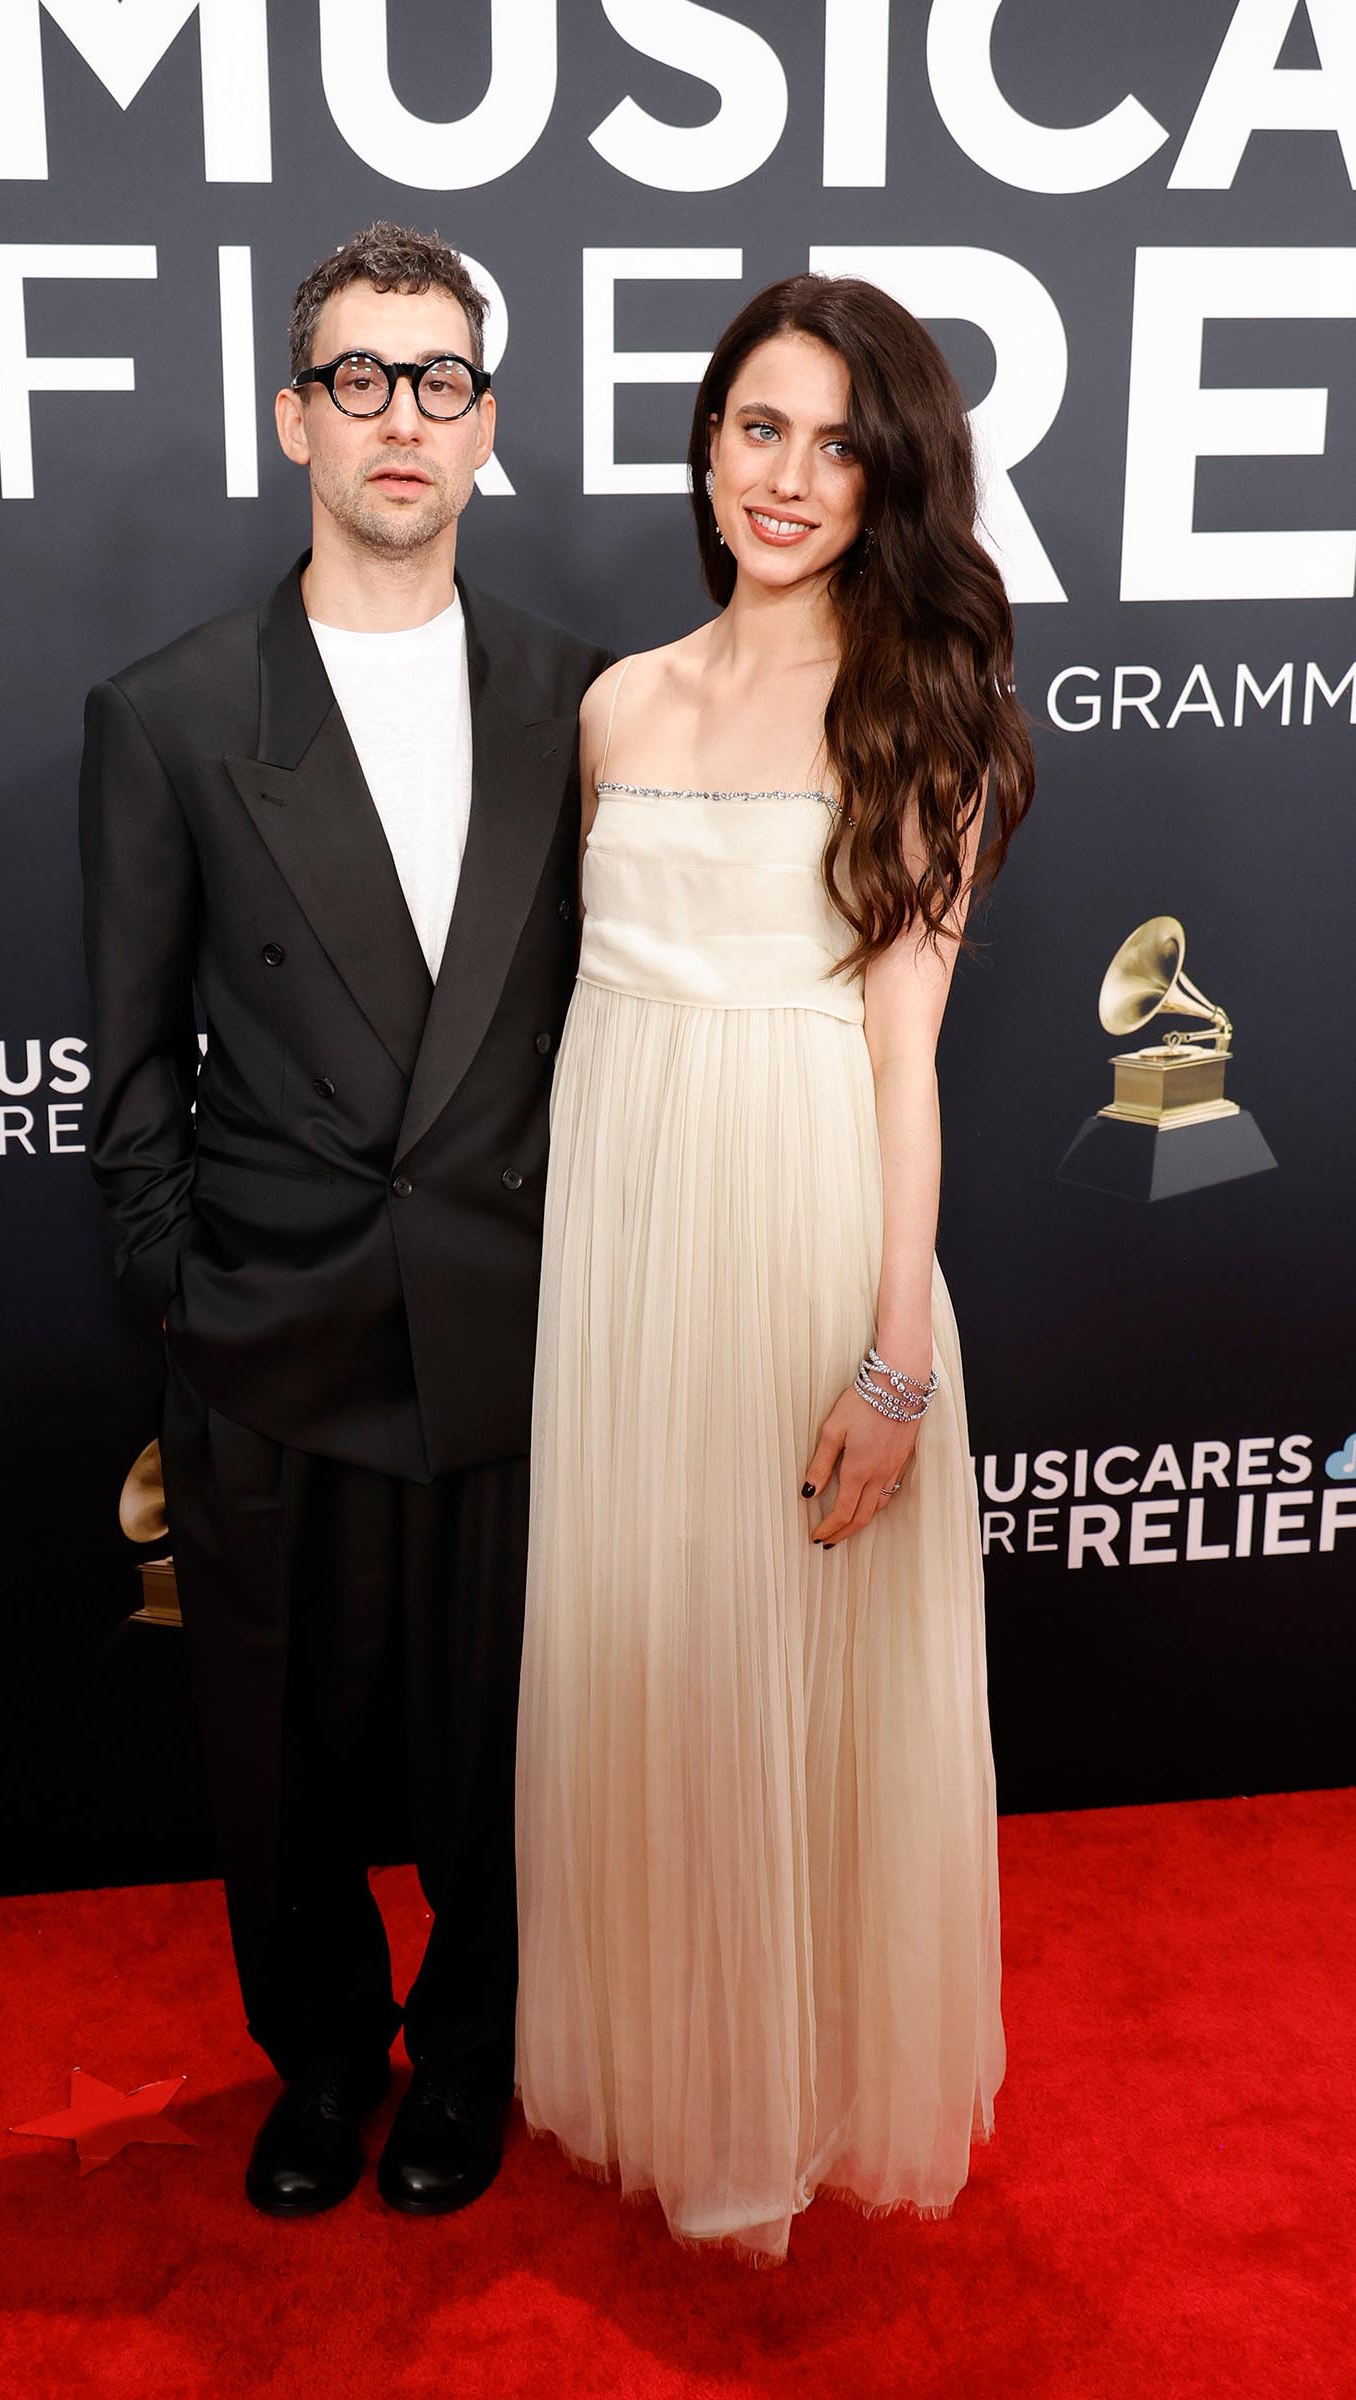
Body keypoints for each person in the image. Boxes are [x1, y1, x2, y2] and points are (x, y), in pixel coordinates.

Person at [79, 222, 608, 2220]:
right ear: (293, 416)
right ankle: (319, 2067)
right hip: (275, 1341)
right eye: (360, 379)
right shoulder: (165, 711)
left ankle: (467, 2063)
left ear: (485, 423)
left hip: (512, 1332)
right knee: (280, 1774)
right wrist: (191, 1306)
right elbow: (125, 1068)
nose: (403, 417)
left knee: (499, 1768)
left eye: (439, 379)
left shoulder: (585, 705)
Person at [514, 274, 1035, 2260]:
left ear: (888, 474)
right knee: (647, 1668)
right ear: (705, 443)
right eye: (758, 427)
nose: (790, 477)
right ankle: (669, 2066)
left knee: (784, 1681)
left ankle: (776, 2107)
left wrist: (891, 1356)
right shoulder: (615, 704)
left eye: (836, 442)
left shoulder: (918, 712)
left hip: (806, 1230)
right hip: (621, 1244)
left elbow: (897, 1058)